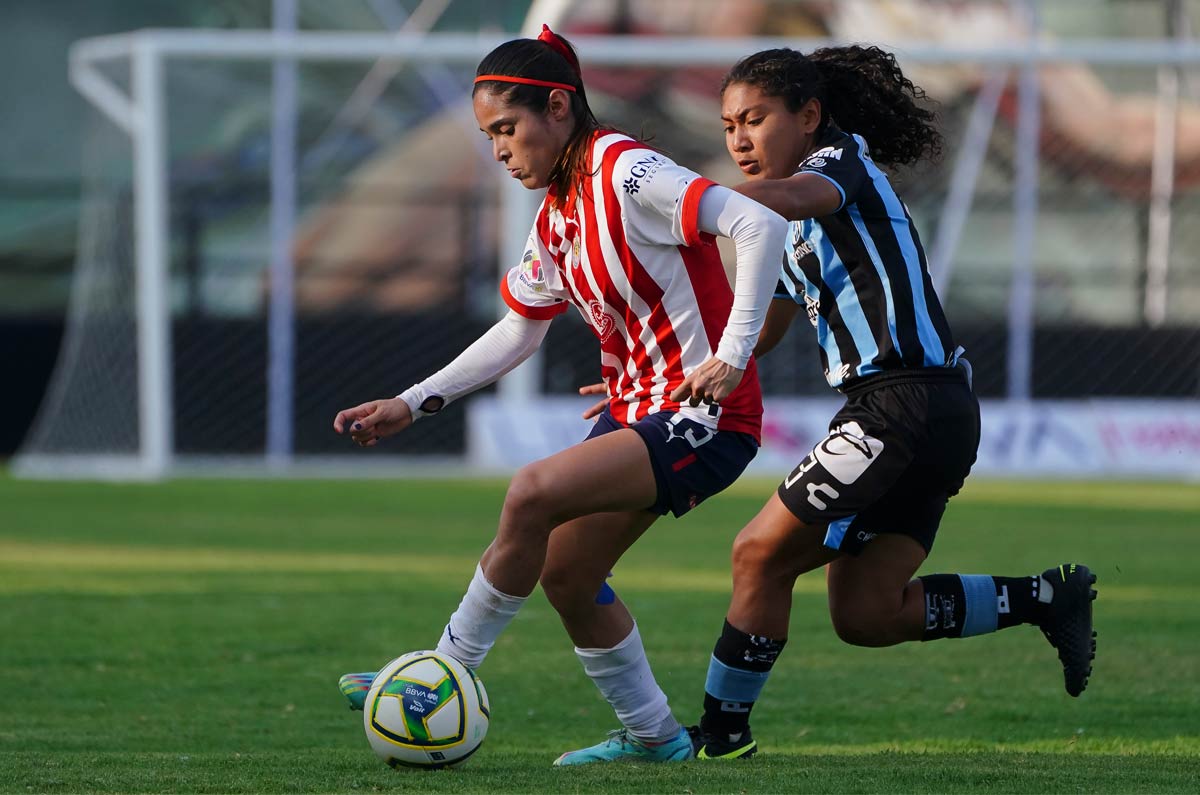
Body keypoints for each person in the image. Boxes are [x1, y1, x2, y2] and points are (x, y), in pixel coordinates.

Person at [332, 26, 789, 766]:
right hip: (638, 407)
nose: (500, 151)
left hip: (706, 417)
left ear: (558, 108)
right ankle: (657, 738)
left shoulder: (625, 168)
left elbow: (755, 220)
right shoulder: (557, 215)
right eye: (488, 137)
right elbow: (519, 330)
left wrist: (732, 356)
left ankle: (444, 670)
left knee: (531, 491)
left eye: (506, 130)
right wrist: (411, 402)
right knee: (569, 575)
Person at [679, 46, 1099, 760]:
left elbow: (781, 198)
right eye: (728, 126)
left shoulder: (838, 163)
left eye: (754, 120)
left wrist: (666, 198)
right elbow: (760, 335)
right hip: (928, 412)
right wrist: (667, 374)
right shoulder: (780, 222)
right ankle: (1048, 597)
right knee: (866, 613)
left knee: (757, 554)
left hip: (899, 405)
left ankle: (720, 736)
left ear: (810, 117)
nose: (740, 140)